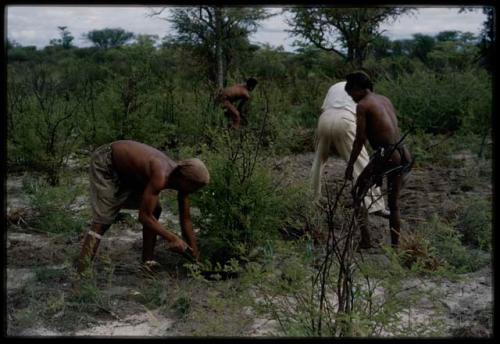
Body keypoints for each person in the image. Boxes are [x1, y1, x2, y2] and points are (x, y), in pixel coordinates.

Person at [77, 140, 210, 274]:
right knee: (102, 221)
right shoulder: (161, 175)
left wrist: (196, 258)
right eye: (195, 187)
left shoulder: (182, 182)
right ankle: (81, 273)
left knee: (155, 210)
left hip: (129, 173)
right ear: (184, 179)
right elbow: (144, 216)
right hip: (107, 162)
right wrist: (173, 238)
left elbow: (186, 221)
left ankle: (148, 264)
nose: (195, 191)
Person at [344, 71, 412, 248]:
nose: (352, 99)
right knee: (394, 203)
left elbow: (360, 140)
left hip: (387, 154)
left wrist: (350, 165)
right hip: (403, 153)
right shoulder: (384, 99)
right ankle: (395, 250)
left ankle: (366, 242)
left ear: (358, 89)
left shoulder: (363, 105)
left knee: (357, 194)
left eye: (351, 95)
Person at [311, 81, 389, 217]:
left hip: (324, 119)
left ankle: (312, 198)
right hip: (345, 120)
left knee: (318, 161)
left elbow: (323, 108)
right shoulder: (364, 92)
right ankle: (374, 206)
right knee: (362, 164)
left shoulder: (334, 86)